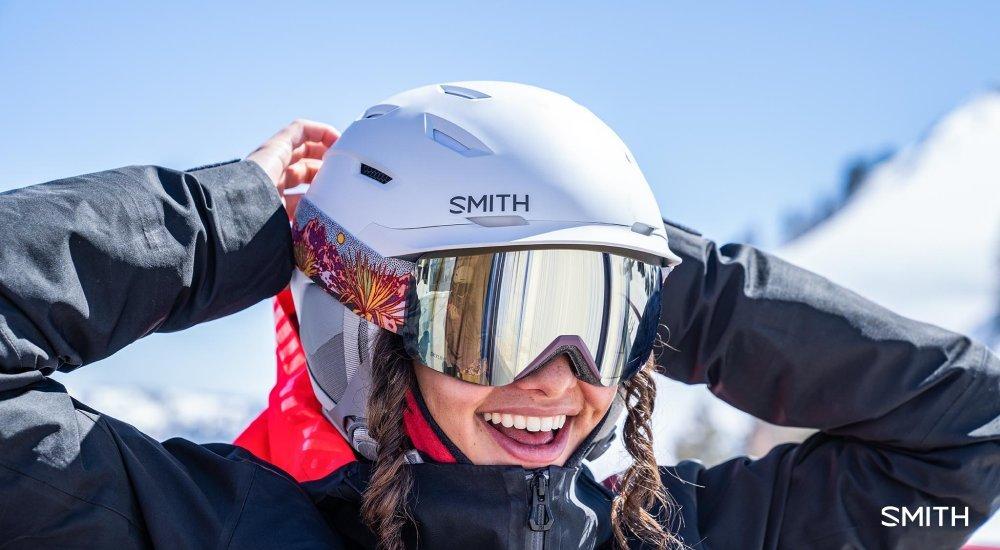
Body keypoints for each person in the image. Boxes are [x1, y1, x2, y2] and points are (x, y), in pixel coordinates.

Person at [0, 82, 996, 550]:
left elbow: (963, 442)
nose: (560, 375)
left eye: (599, 319)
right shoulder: (212, 533)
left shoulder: (680, 538)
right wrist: (230, 224)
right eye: (507, 313)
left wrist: (644, 261)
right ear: (375, 328)